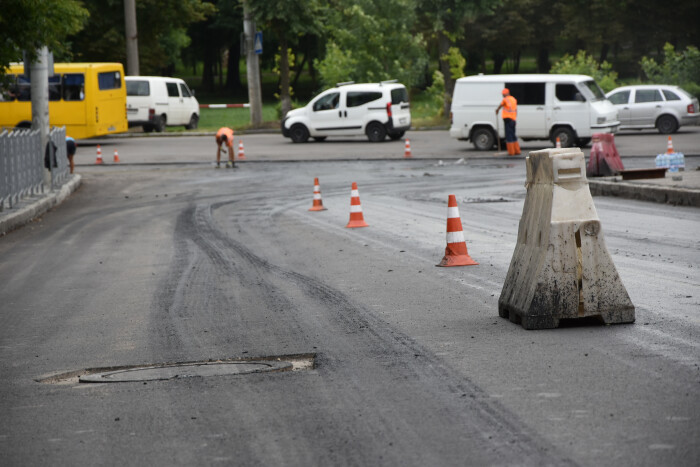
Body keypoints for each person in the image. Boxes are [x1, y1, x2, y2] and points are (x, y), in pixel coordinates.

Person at [495, 88, 520, 156]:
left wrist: (497, 110)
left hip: (507, 119)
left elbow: (501, 105)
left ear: (506, 93)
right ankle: (517, 150)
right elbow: (515, 110)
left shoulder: (505, 99)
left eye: (503, 94)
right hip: (513, 119)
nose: (503, 95)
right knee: (513, 135)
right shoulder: (514, 99)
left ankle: (511, 152)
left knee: (509, 135)